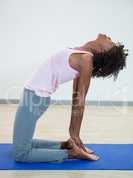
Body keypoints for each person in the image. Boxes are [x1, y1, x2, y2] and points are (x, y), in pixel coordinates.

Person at [12, 33, 128, 163]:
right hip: (33, 96)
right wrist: (73, 137)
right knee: (21, 144)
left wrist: (75, 134)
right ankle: (66, 145)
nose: (110, 38)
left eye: (111, 43)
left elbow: (79, 100)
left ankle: (71, 153)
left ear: (104, 51)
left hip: (34, 99)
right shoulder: (80, 53)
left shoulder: (86, 60)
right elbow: (75, 95)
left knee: (20, 154)